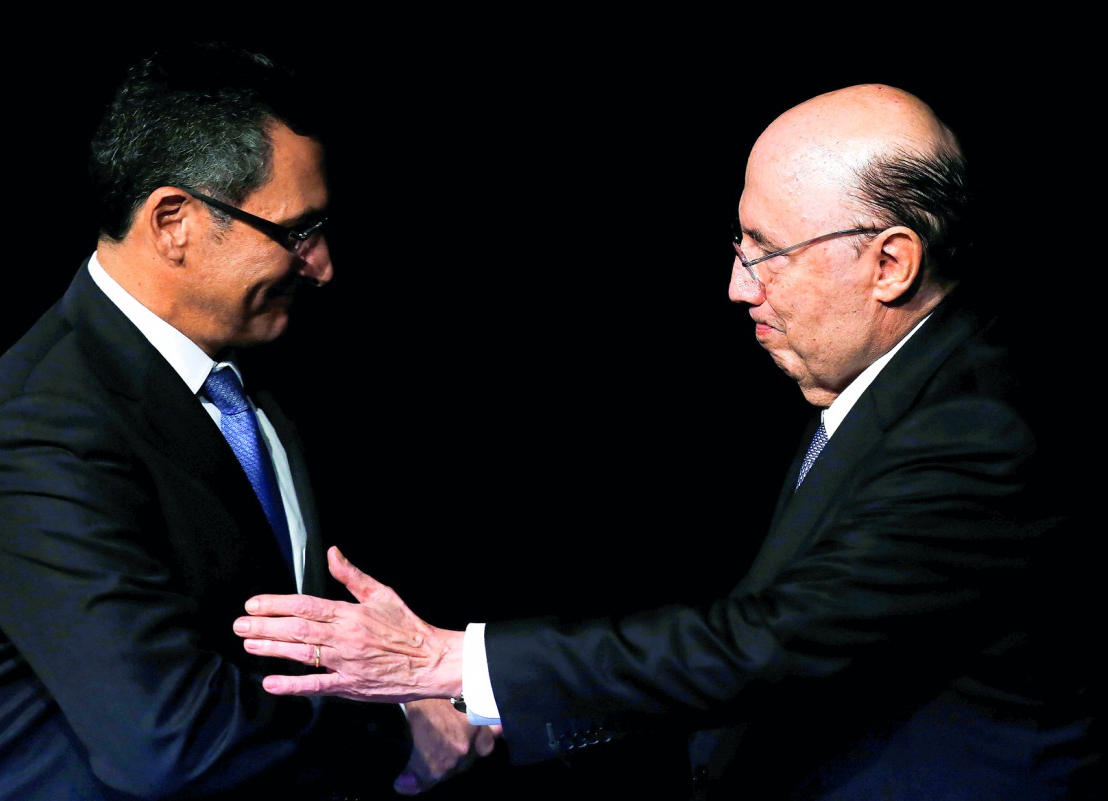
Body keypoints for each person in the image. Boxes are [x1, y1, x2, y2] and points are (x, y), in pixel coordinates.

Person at [231, 83, 1100, 800]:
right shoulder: (902, 389)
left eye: (766, 251)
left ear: (890, 264)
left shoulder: (980, 430)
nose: (736, 285)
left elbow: (765, 644)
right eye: (739, 242)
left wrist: (450, 658)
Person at [0, 41, 496, 801]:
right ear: (173, 222)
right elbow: (165, 738)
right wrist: (397, 736)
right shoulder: (40, 425)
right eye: (297, 232)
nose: (321, 265)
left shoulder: (251, 380)